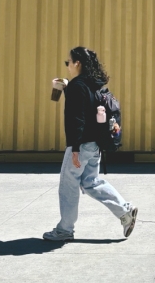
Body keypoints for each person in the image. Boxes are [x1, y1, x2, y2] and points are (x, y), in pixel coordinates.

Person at [43, 46, 138, 241]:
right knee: (90, 182)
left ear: (77, 63)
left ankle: (64, 230)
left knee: (68, 186)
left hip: (81, 145)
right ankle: (125, 211)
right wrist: (67, 87)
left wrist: (75, 149)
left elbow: (77, 119)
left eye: (68, 62)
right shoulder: (93, 83)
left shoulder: (78, 85)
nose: (67, 66)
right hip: (95, 144)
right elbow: (86, 106)